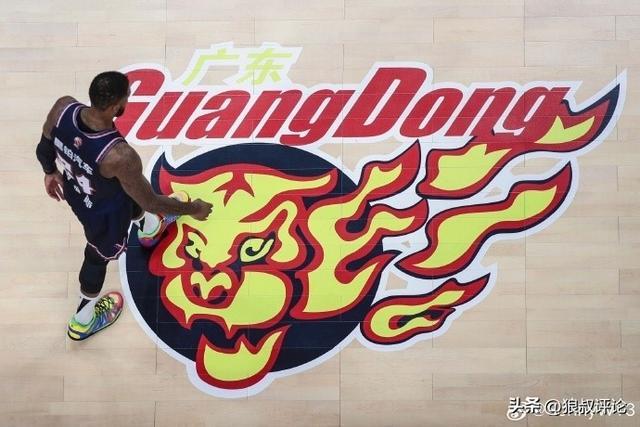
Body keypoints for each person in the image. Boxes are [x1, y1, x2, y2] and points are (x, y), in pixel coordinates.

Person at [36, 71, 213, 341]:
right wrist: (194, 210)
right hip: (102, 216)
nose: (128, 100)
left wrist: (50, 172)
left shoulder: (63, 108)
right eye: (127, 97)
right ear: (116, 106)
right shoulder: (119, 156)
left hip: (77, 191)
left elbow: (43, 148)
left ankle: (150, 228)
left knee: (124, 191)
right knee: (96, 257)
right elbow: (150, 200)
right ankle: (82, 320)